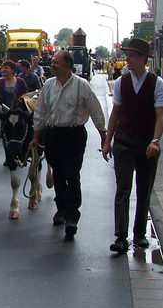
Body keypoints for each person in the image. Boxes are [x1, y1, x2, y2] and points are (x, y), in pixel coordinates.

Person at [28, 50, 107, 239]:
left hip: (75, 135)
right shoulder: (48, 85)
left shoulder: (82, 85)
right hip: (54, 134)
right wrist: (36, 136)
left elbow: (95, 111)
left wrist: (104, 136)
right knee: (58, 175)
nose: (52, 65)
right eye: (52, 62)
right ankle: (61, 209)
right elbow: (40, 112)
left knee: (72, 174)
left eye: (56, 62)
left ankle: (72, 216)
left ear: (67, 66)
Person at [101, 38, 163, 254]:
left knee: (144, 189)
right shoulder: (121, 82)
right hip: (124, 141)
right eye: (127, 54)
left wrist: (155, 141)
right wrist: (107, 141)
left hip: (147, 142)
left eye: (131, 55)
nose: (127, 58)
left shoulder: (157, 83)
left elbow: (160, 116)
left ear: (142, 58)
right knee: (122, 189)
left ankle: (139, 234)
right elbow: (115, 113)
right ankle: (121, 236)